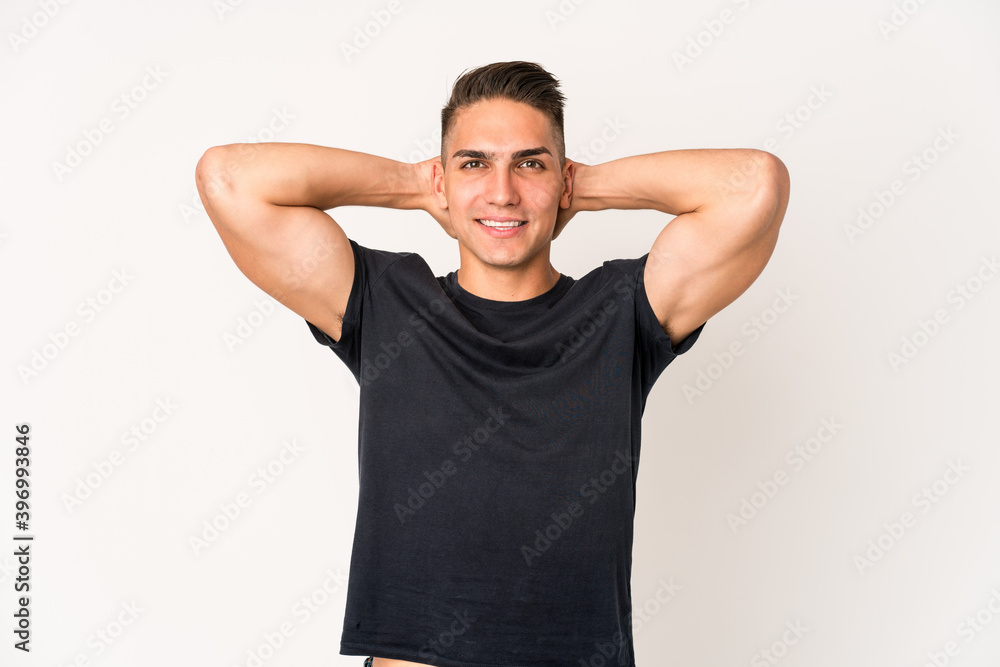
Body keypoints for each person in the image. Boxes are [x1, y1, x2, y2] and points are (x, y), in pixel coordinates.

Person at [196, 61, 789, 667]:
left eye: (529, 163)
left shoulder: (621, 312)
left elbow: (754, 183)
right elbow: (229, 178)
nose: (502, 192)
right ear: (443, 179)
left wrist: (576, 186)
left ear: (561, 178)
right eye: (474, 163)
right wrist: (413, 183)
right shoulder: (383, 301)